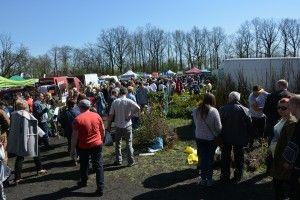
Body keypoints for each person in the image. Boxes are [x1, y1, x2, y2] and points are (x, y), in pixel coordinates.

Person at [71, 99, 105, 196]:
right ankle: (100, 187)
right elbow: (102, 129)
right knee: (98, 166)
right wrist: (101, 139)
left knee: (84, 165)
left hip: (84, 146)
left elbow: (74, 136)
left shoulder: (77, 119)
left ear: (80, 107)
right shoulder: (97, 116)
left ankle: (84, 181)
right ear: (89, 107)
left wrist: (72, 149)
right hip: (97, 144)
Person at [8, 100, 47, 184]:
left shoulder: (13, 114)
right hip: (28, 137)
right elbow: (34, 125)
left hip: (18, 137)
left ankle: (17, 178)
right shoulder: (26, 114)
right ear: (25, 106)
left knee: (20, 157)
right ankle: (39, 169)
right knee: (36, 152)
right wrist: (42, 134)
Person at [219, 91, 252, 183]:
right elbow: (250, 125)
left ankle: (225, 175)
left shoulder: (222, 109)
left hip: (226, 137)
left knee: (225, 156)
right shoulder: (245, 109)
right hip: (240, 137)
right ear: (238, 99)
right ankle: (238, 175)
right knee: (239, 156)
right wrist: (248, 137)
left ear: (229, 99)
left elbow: (219, 125)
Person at [269, 98, 297, 200]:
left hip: (283, 158)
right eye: (278, 107)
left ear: (291, 108)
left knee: (281, 184)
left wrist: (288, 161)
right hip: (276, 155)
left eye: (283, 108)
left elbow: (292, 144)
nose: (280, 110)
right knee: (278, 183)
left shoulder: (292, 123)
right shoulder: (281, 119)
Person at [192, 93, 222, 187]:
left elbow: (196, 124)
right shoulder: (214, 111)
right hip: (210, 139)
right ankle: (209, 180)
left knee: (202, 158)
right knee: (209, 159)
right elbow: (219, 127)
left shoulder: (196, 110)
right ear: (213, 100)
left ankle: (202, 179)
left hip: (199, 137)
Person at [107, 87, 140, 167]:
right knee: (129, 143)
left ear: (119, 93)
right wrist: (130, 115)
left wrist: (109, 125)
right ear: (126, 93)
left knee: (118, 144)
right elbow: (138, 108)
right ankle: (130, 161)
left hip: (118, 125)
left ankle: (119, 160)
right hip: (127, 125)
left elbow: (111, 115)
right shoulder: (128, 100)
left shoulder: (115, 102)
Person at [283, 95, 300, 199]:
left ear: (295, 106)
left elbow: (295, 145)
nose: (288, 109)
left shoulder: (298, 125)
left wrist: (288, 161)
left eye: (289, 106)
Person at [264, 80, 290, 144]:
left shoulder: (271, 95)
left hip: (273, 121)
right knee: (286, 139)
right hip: (288, 121)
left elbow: (265, 110)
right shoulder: (292, 96)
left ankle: (271, 152)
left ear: (279, 86)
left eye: (277, 86)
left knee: (272, 138)